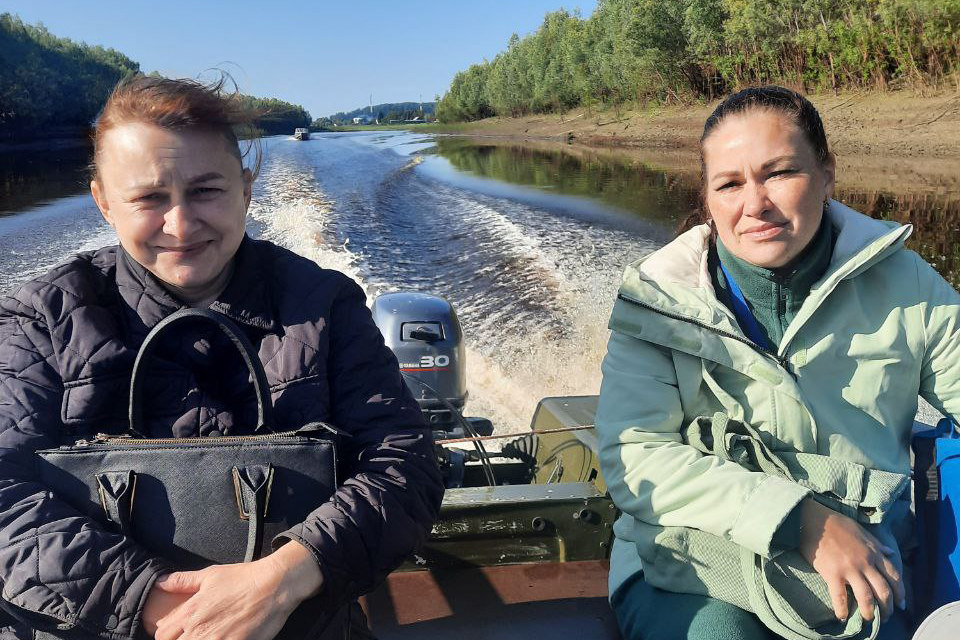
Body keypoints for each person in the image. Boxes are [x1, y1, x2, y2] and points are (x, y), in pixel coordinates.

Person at [0, 74, 444, 640]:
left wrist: (285, 578)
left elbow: (405, 462)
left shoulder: (323, 306)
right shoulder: (41, 319)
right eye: (148, 198)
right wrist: (162, 608)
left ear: (246, 189)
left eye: (206, 190)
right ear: (104, 203)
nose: (181, 225)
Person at [595, 86, 960, 640]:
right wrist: (803, 521)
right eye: (730, 184)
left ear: (827, 173)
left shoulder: (907, 283)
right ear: (708, 198)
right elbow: (636, 455)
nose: (755, 204)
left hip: (864, 566)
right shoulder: (657, 301)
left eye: (780, 173)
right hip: (690, 563)